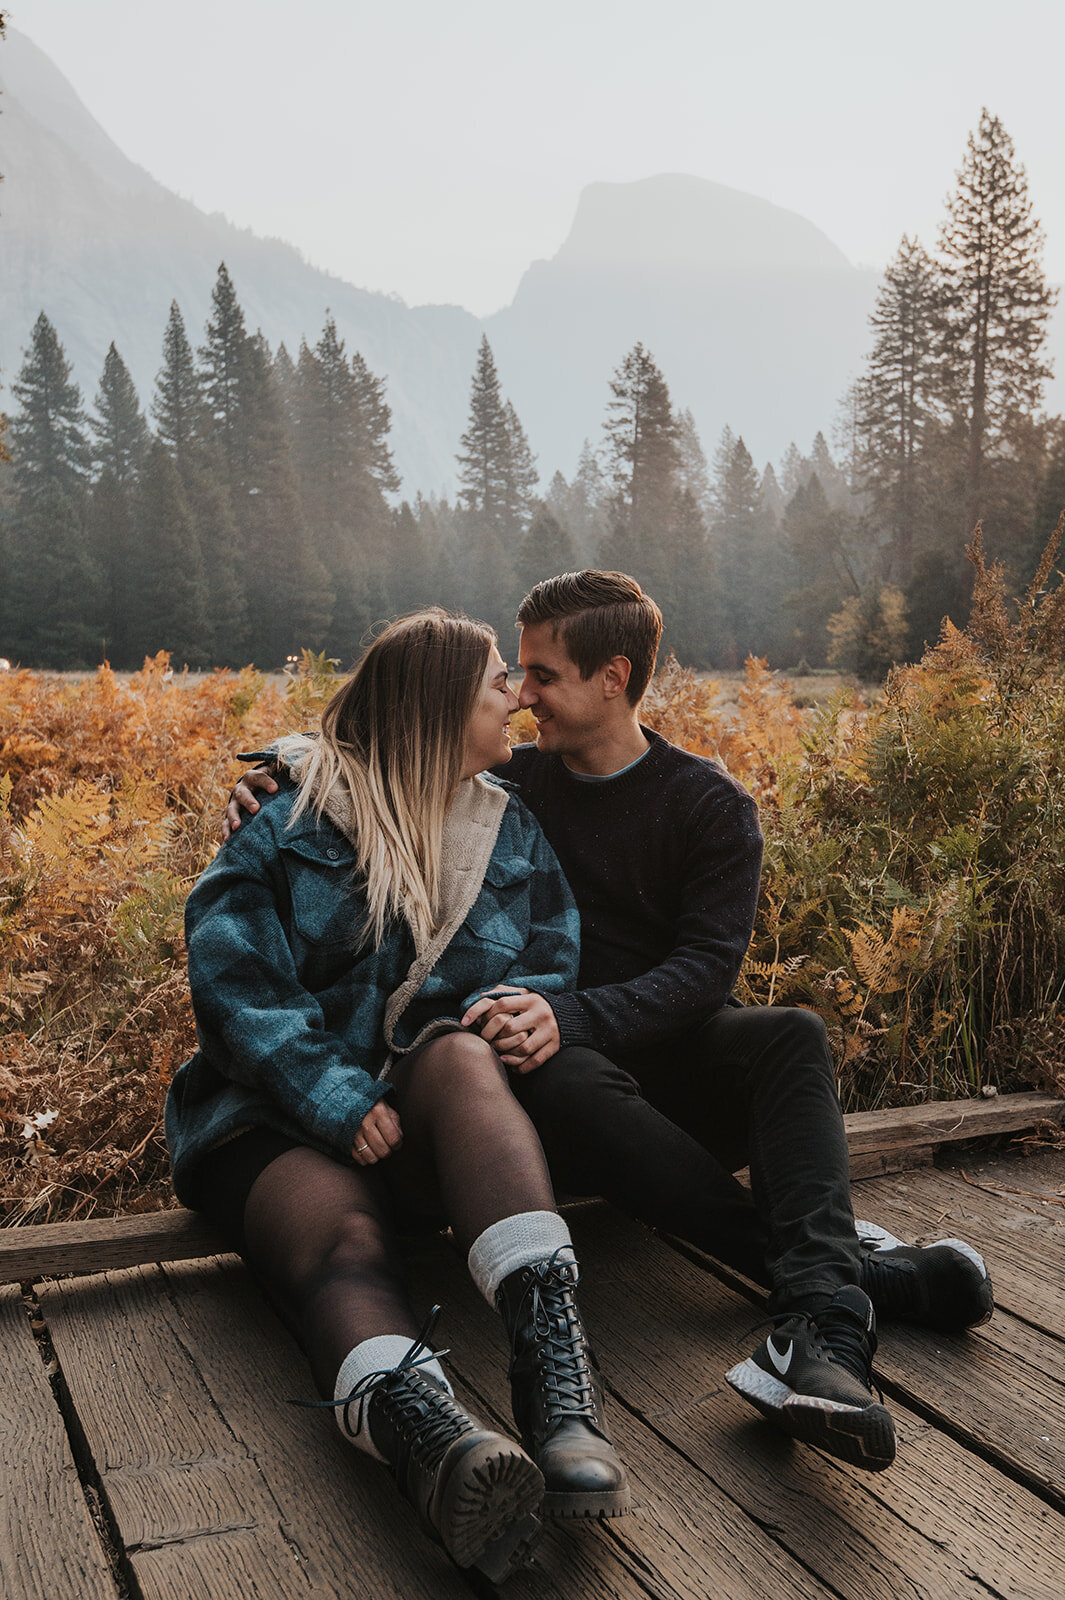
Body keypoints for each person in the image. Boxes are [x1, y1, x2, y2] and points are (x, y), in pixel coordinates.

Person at [228, 572, 993, 1477]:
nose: (519, 697)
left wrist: (573, 1011)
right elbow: (396, 736)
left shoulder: (706, 805)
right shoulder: (514, 781)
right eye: (512, 676)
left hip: (634, 1050)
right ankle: (839, 1280)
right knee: (566, 1072)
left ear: (612, 678)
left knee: (789, 1033)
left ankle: (818, 1329)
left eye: (541, 676)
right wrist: (287, 768)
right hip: (537, 1082)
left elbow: (706, 974)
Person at [170, 609, 631, 1587]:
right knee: (342, 1243)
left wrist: (530, 1011)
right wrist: (335, 1097)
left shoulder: (511, 830)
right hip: (267, 1115)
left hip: (413, 1117)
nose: (515, 693)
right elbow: (235, 991)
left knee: (463, 1055)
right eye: (498, 679)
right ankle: (433, 1442)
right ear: (434, 705)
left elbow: (551, 955)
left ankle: (554, 1380)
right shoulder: (285, 819)